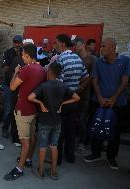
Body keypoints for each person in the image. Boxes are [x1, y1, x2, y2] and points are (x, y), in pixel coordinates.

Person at [84, 38, 130, 170]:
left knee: (115, 131)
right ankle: (95, 153)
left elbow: (125, 80)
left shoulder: (125, 61)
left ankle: (111, 157)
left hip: (118, 103)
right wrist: (99, 96)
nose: (101, 48)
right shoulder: (98, 61)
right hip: (98, 101)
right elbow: (95, 79)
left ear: (112, 48)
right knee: (96, 126)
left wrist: (113, 98)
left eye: (104, 46)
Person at [28, 62, 80, 179]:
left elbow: (30, 97)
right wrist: (62, 103)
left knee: (42, 146)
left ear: (50, 71)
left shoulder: (44, 86)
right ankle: (53, 172)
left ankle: (41, 171)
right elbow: (77, 97)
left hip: (44, 121)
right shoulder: (63, 86)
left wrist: (40, 103)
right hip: (57, 121)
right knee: (54, 146)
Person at [4, 43, 47, 181]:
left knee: (24, 141)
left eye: (23, 55)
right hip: (34, 110)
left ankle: (19, 169)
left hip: (23, 109)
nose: (22, 57)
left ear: (28, 55)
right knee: (32, 135)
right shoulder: (41, 69)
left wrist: (16, 72)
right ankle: (28, 159)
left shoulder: (26, 69)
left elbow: (12, 87)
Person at [55, 34, 89, 164]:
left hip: (63, 100)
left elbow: (58, 82)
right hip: (75, 99)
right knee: (71, 129)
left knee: (60, 129)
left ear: (63, 44)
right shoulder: (78, 58)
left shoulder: (61, 59)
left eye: (57, 42)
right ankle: (70, 156)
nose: (55, 45)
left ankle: (57, 159)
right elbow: (86, 76)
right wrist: (78, 88)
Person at [73, 37, 96, 152]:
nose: (76, 47)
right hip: (74, 92)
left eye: (77, 44)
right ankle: (72, 140)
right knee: (73, 118)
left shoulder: (92, 59)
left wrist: (82, 86)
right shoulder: (75, 57)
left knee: (83, 119)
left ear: (83, 44)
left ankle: (82, 142)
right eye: (74, 45)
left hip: (85, 93)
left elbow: (92, 76)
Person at [1, 35, 23, 139]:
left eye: (19, 42)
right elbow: (5, 68)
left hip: (21, 84)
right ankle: (5, 128)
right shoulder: (8, 52)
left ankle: (18, 131)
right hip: (9, 84)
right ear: (13, 42)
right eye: (15, 42)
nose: (17, 44)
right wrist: (15, 69)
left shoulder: (24, 52)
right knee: (8, 109)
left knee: (19, 109)